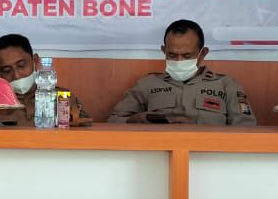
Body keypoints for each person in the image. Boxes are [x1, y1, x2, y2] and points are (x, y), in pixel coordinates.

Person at [108, 19, 255, 125]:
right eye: (172, 55)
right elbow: (113, 121)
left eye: (187, 55)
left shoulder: (226, 85)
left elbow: (246, 128)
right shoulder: (147, 84)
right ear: (164, 50)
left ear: (202, 53)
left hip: (210, 154)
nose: (179, 60)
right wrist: (137, 119)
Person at [0, 34, 90, 126]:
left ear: (35, 60)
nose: (17, 75)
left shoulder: (63, 98)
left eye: (21, 65)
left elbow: (86, 132)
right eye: (7, 70)